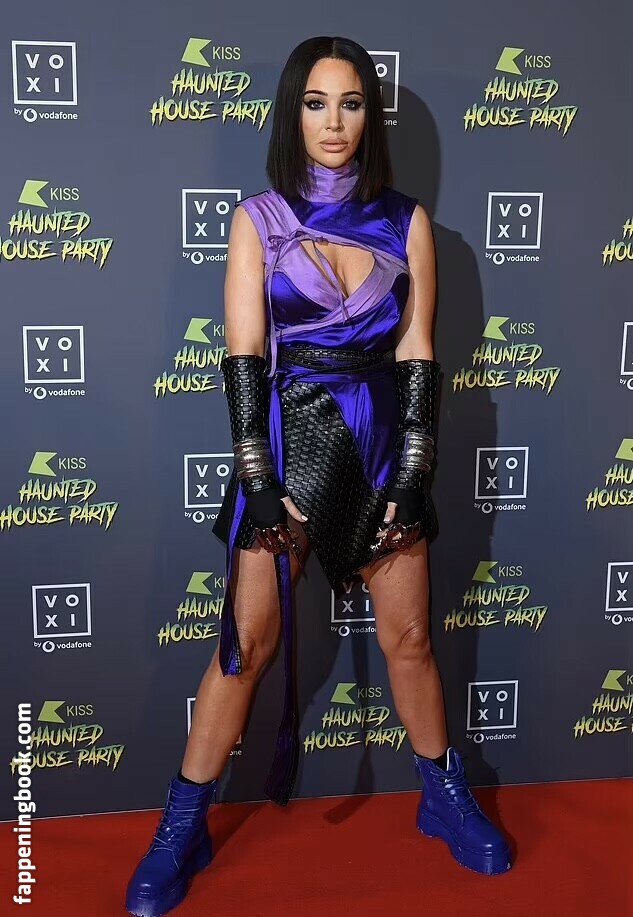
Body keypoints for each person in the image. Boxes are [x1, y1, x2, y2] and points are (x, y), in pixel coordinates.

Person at [125, 34, 512, 917]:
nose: (332, 122)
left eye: (349, 103)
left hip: (378, 448)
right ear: (290, 114)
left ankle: (441, 797)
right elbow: (243, 355)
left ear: (368, 116)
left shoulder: (406, 221)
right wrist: (258, 480)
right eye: (314, 103)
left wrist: (412, 472)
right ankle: (181, 827)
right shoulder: (256, 219)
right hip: (284, 443)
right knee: (244, 647)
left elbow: (417, 352)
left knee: (409, 639)